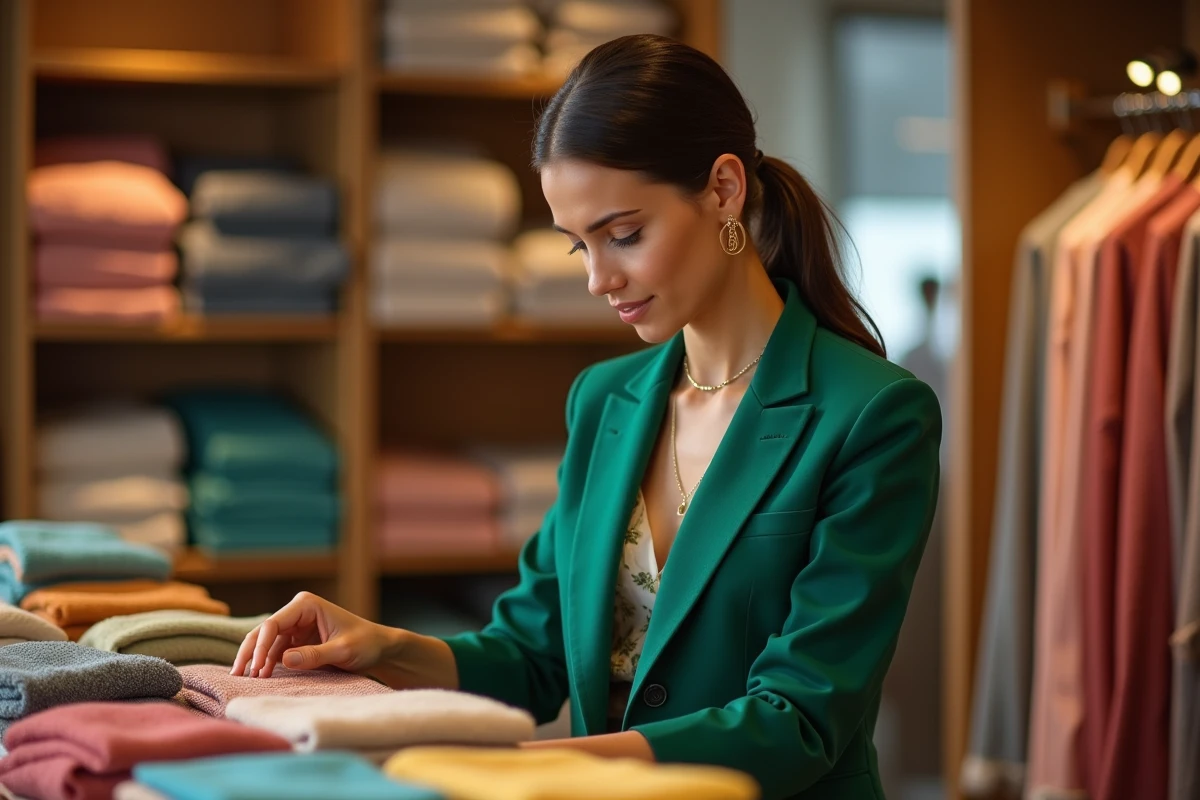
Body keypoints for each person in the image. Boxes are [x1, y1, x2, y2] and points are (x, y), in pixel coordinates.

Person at [232, 34, 942, 800]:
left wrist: (540, 766)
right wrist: (377, 646)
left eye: (625, 234)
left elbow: (798, 718)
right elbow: (533, 657)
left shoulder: (873, 415)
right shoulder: (606, 400)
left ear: (725, 190)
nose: (601, 279)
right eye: (578, 247)